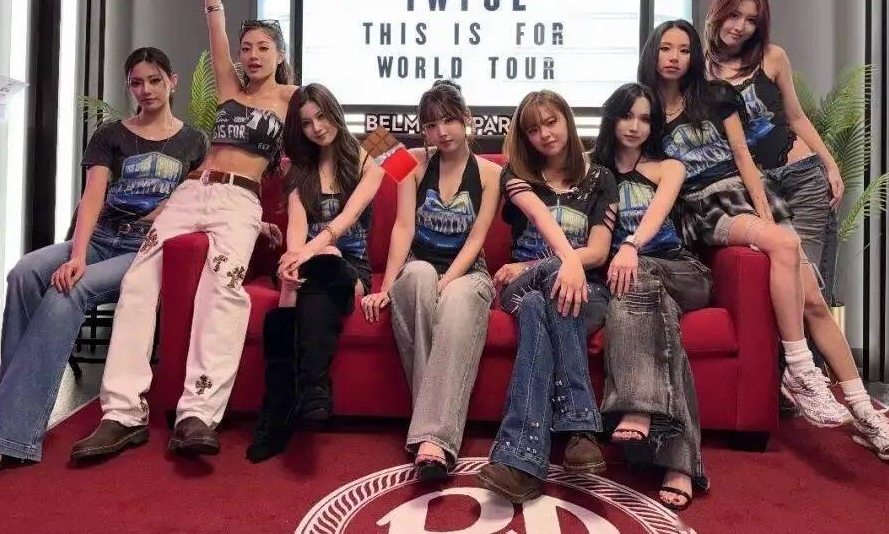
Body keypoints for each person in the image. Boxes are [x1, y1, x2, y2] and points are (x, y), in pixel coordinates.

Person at [72, 0, 294, 460]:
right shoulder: (228, 86)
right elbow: (214, 21)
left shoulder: (293, 97)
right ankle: (121, 413)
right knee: (137, 282)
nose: (252, 54)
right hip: (193, 193)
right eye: (247, 47)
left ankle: (197, 414)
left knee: (224, 290)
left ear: (280, 53)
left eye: (263, 47)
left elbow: (324, 143)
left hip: (240, 201)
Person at [0, 48, 208, 476]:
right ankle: (14, 405)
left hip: (144, 248)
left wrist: (153, 220)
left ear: (172, 81)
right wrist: (78, 253)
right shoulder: (110, 135)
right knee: (25, 272)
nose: (146, 90)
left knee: (69, 290)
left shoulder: (194, 141)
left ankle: (3, 435)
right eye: (137, 82)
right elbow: (92, 196)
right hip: (102, 236)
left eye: (155, 80)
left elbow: (193, 201)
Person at [704, 0, 889, 460]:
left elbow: (796, 118)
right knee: (796, 290)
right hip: (755, 187)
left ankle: (860, 413)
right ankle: (804, 385)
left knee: (812, 291)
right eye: (734, 15)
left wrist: (830, 163)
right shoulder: (699, 69)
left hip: (802, 175)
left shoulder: (772, 57)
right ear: (718, 13)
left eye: (751, 19)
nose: (740, 26)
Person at [637, 19, 853, 429]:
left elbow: (742, 155)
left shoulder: (714, 96)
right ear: (652, 53)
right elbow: (625, 160)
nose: (674, 58)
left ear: (694, 56)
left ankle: (861, 407)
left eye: (683, 50)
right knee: (786, 248)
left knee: (812, 295)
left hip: (752, 195)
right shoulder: (643, 111)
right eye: (666, 48)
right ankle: (799, 367)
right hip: (703, 209)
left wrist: (765, 212)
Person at [476, 90, 617, 505]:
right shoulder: (516, 174)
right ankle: (580, 425)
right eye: (534, 129)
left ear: (567, 121)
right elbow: (539, 216)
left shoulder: (600, 178)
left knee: (541, 305)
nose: (545, 134)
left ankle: (520, 462)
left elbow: (600, 252)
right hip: (522, 286)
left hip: (584, 290)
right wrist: (558, 263)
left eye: (551, 122)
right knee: (542, 289)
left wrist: (560, 264)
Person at [362, 80, 501, 480]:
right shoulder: (411, 163)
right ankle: (435, 435)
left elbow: (477, 238)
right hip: (419, 266)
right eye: (431, 125)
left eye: (450, 120)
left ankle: (432, 441)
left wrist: (448, 280)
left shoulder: (492, 172)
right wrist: (385, 288)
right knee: (420, 274)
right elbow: (403, 227)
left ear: (467, 120)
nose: (442, 132)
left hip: (468, 271)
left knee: (456, 297)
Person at [247, 83, 385, 462]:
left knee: (329, 255)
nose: (317, 128)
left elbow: (345, 220)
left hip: (350, 270)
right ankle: (302, 395)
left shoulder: (366, 165)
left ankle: (283, 405)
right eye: (307, 123)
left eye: (322, 117)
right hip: (310, 267)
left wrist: (309, 251)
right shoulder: (299, 171)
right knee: (297, 284)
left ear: (335, 113)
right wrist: (292, 260)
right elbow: (296, 226)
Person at [589, 83, 711, 510]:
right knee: (664, 330)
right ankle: (681, 467)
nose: (635, 126)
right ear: (612, 118)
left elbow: (656, 216)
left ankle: (639, 406)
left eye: (645, 118)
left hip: (681, 271)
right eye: (627, 116)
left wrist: (630, 245)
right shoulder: (592, 171)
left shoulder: (668, 168)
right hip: (637, 285)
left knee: (634, 275)